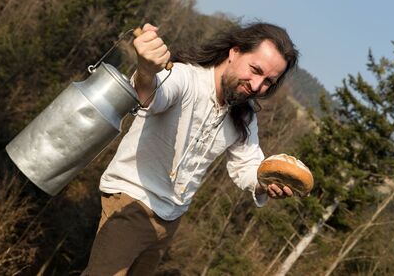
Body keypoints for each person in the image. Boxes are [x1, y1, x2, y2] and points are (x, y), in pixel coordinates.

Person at [82, 22, 299, 275]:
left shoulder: (245, 116)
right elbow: (149, 95)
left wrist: (266, 181)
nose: (257, 85)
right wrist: (146, 70)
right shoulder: (185, 78)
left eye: (268, 81)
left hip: (170, 219)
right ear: (235, 52)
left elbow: (247, 165)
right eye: (255, 70)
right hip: (133, 198)